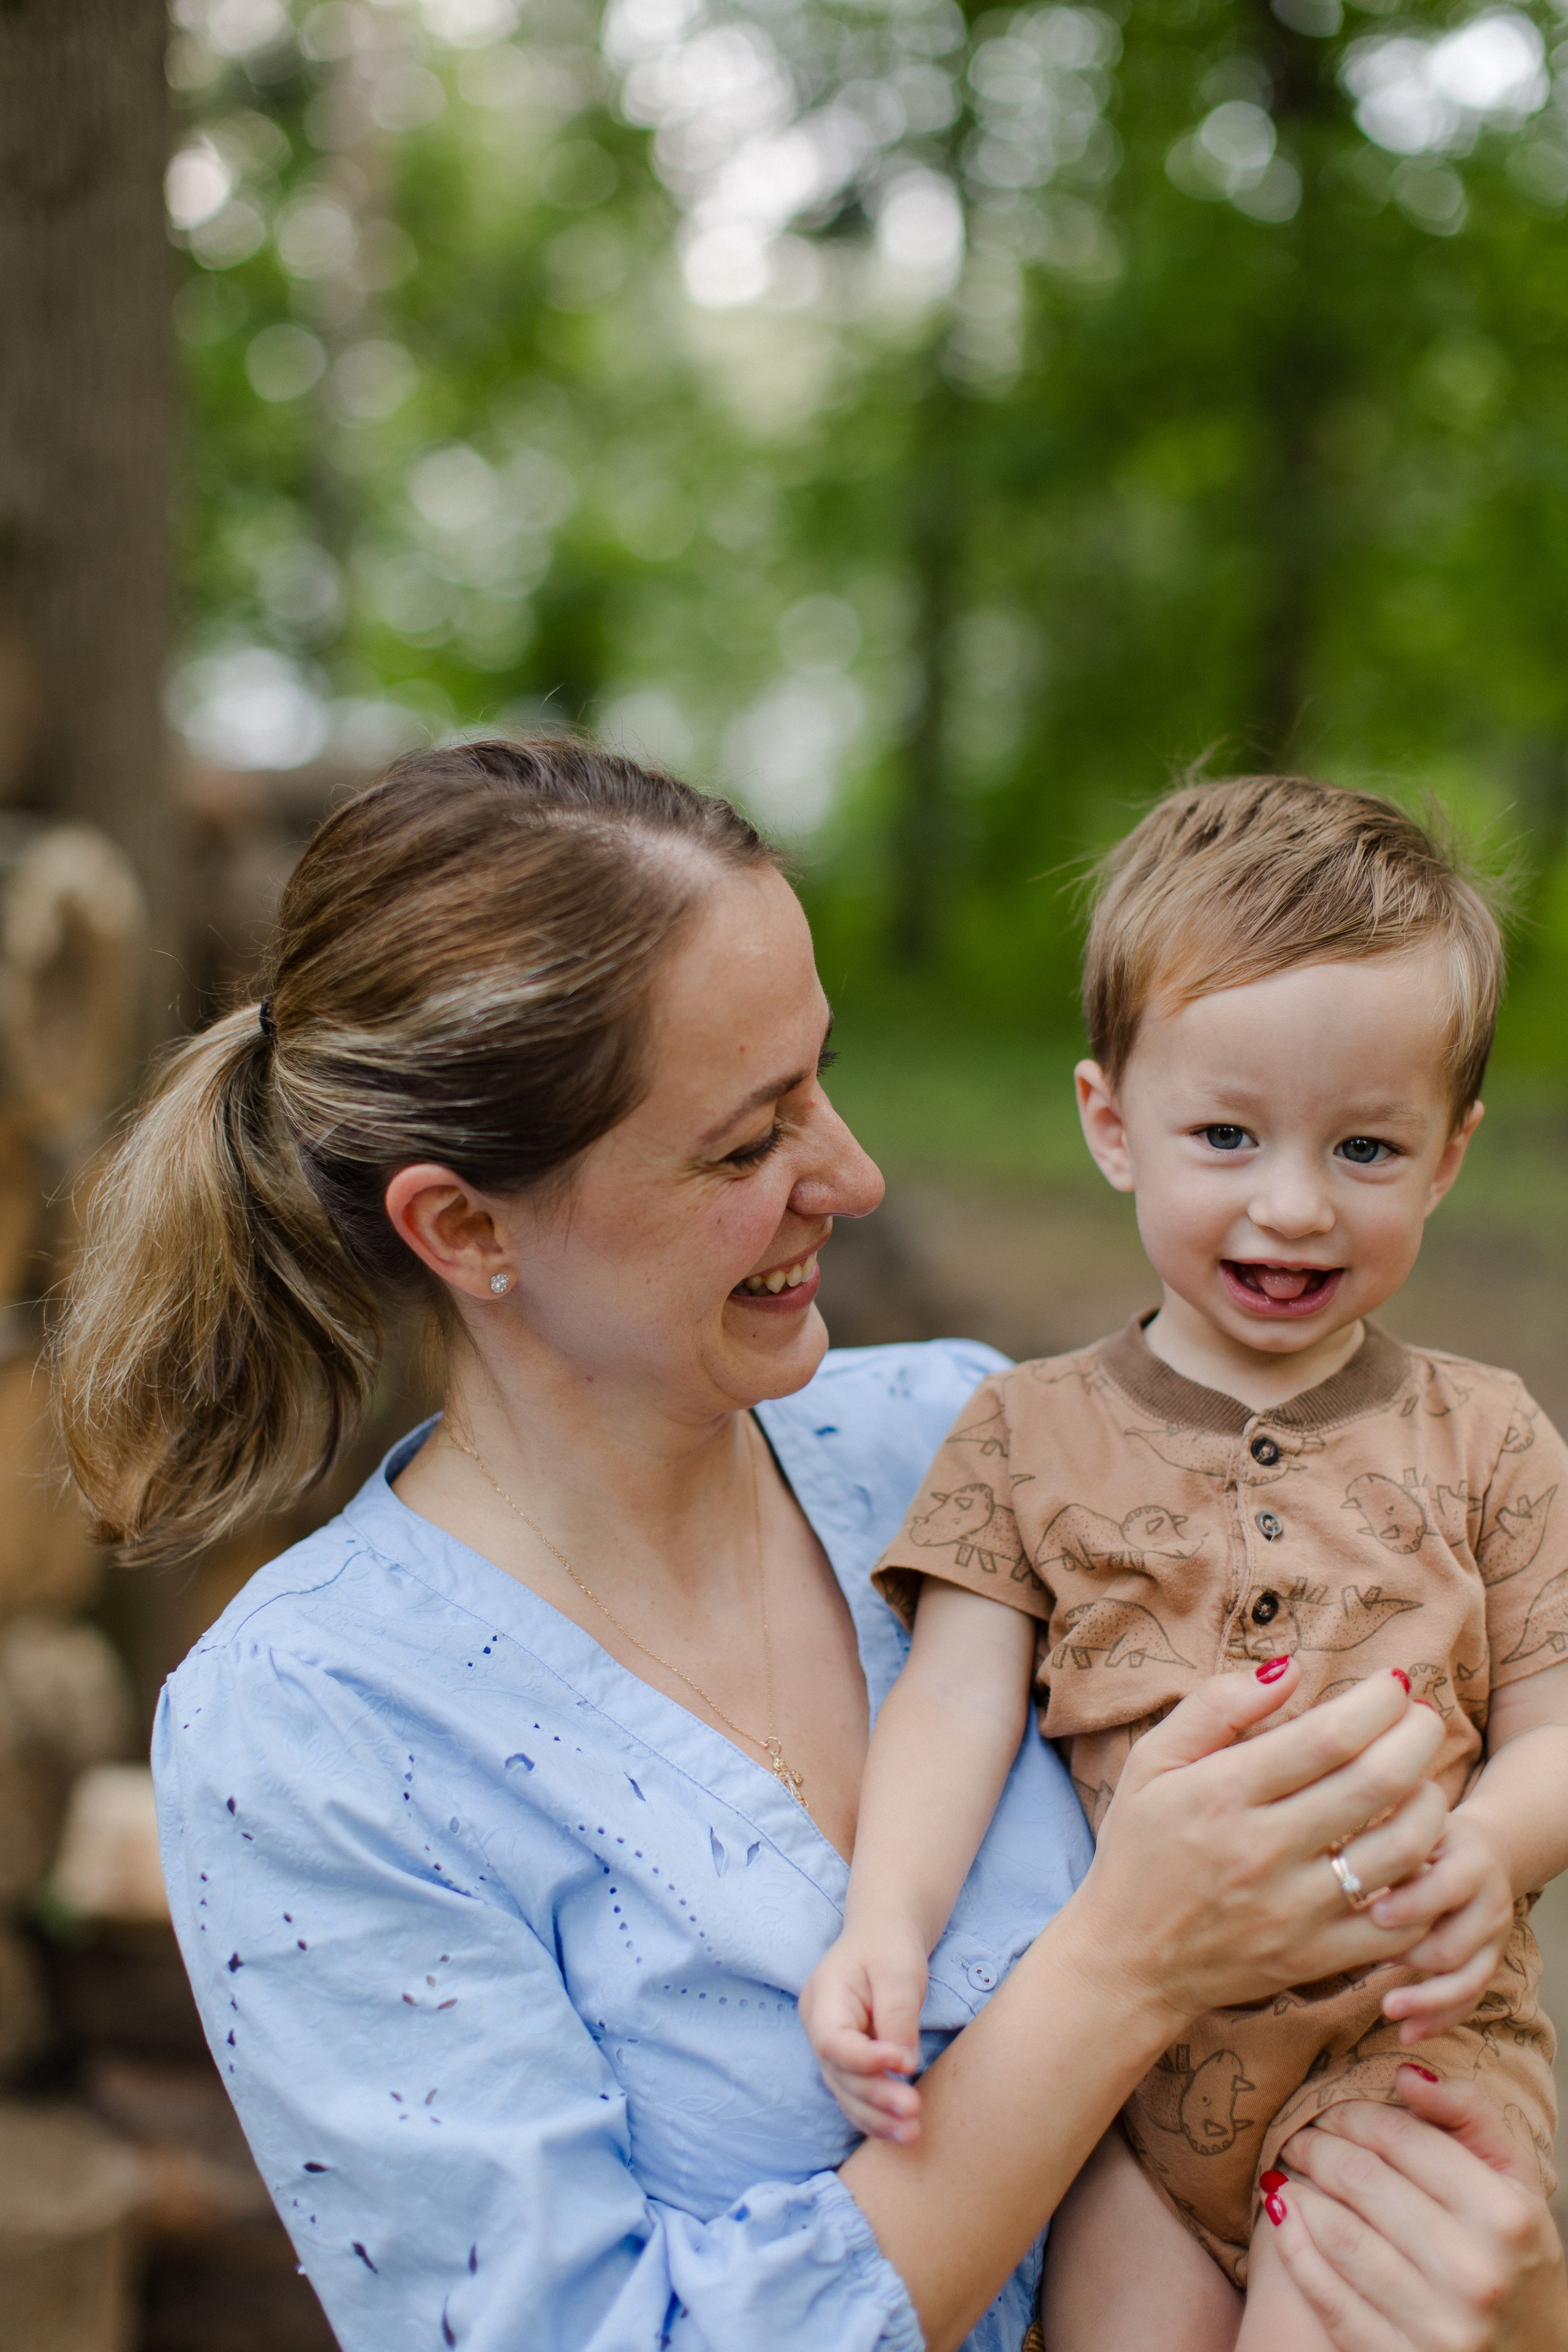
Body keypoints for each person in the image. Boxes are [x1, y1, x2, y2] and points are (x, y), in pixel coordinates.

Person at [53, 742, 1567, 2352]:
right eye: (745, 1142)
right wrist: (1121, 1966)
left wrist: (1495, 2278)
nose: (852, 1174)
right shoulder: (313, 1727)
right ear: (467, 1229)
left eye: (824, 1081)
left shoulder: (959, 1435)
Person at [801, 775, 1568, 2350]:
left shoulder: (1489, 1439)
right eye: (1224, 1134)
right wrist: (884, 1919)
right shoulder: (1019, 1434)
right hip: (1130, 2084)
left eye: (1364, 1147)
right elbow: (951, 1708)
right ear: (1109, 1123)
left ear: (1444, 1156)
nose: (1289, 1205)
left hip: (1401, 2061)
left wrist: (1487, 1852)